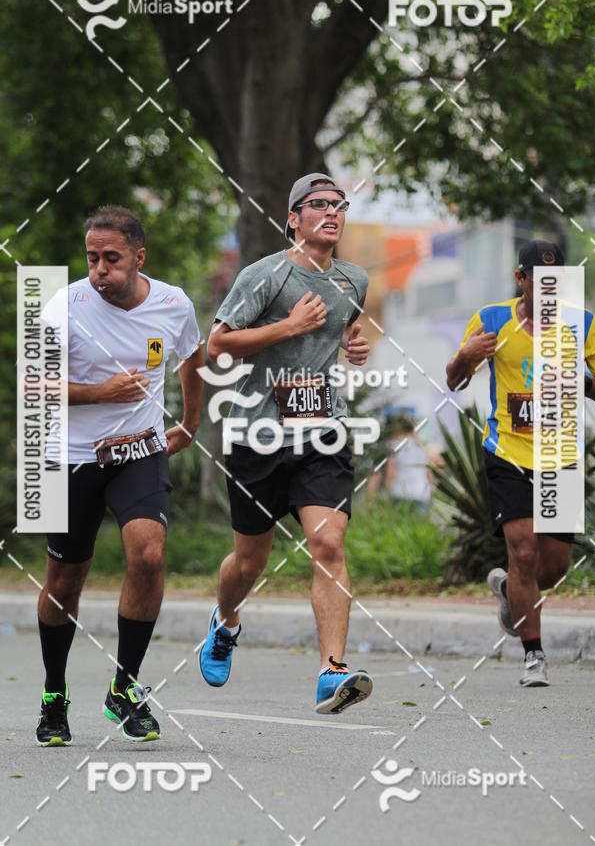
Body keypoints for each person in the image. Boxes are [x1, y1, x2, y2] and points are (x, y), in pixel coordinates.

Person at [200, 173, 374, 714]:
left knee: (329, 545)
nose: (331, 212)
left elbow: (341, 331)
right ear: (294, 219)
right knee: (249, 562)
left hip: (323, 430)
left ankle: (330, 671)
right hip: (258, 434)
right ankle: (225, 621)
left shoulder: (354, 280)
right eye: (318, 204)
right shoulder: (264, 276)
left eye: (339, 204)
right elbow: (216, 346)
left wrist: (353, 346)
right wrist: (288, 327)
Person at [35, 206, 203, 745]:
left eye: (111, 258)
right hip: (70, 455)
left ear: (138, 256)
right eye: (92, 258)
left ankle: (124, 687)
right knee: (64, 580)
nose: (99, 269)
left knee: (149, 555)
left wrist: (190, 422)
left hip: (139, 450)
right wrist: (99, 393)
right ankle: (54, 693)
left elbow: (191, 358)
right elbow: (33, 385)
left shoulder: (173, 304)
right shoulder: (64, 305)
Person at [446, 240, 595, 686]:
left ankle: (506, 591)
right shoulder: (492, 320)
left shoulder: (582, 324)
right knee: (525, 552)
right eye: (540, 280)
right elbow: (454, 381)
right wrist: (465, 356)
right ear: (521, 280)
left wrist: (581, 382)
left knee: (552, 569)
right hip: (507, 452)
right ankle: (534, 655)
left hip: (561, 456)